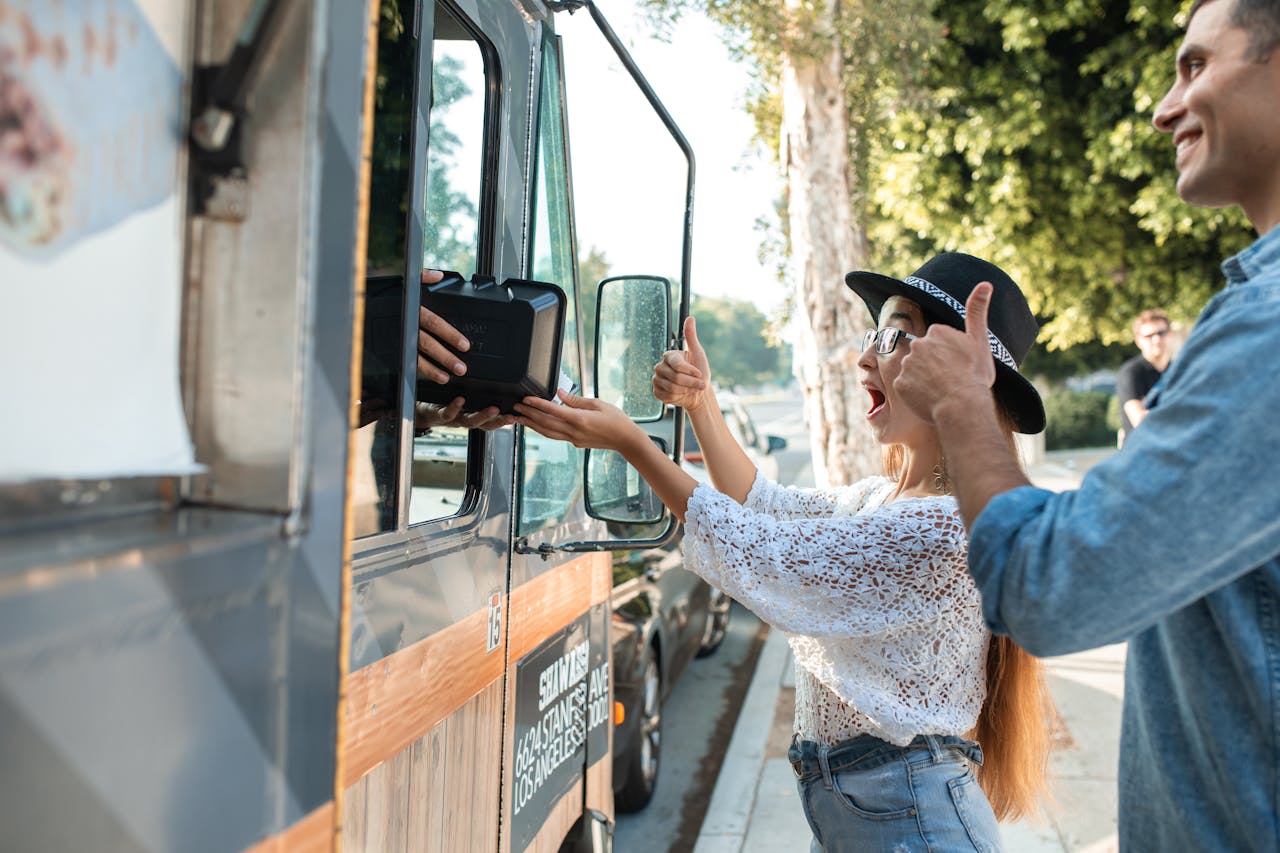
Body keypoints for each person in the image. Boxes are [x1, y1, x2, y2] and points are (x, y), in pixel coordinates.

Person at [890, 1, 1280, 849]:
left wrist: (963, 407)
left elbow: (1050, 585)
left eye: (1196, 66)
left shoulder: (1269, 327)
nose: (1164, 109)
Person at [517, 253, 1054, 852]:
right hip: (868, 818)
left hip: (912, 826)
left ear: (956, 371)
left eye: (894, 336)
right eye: (873, 333)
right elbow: (761, 504)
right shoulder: (880, 498)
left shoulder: (946, 526)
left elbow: (764, 551)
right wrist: (701, 403)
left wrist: (633, 445)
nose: (864, 358)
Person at [1114, 308, 1173, 445]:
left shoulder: (1179, 371)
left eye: (1161, 333)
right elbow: (1139, 420)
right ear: (1138, 340)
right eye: (1149, 336)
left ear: (1170, 334)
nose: (1157, 340)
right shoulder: (1131, 372)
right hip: (1141, 451)